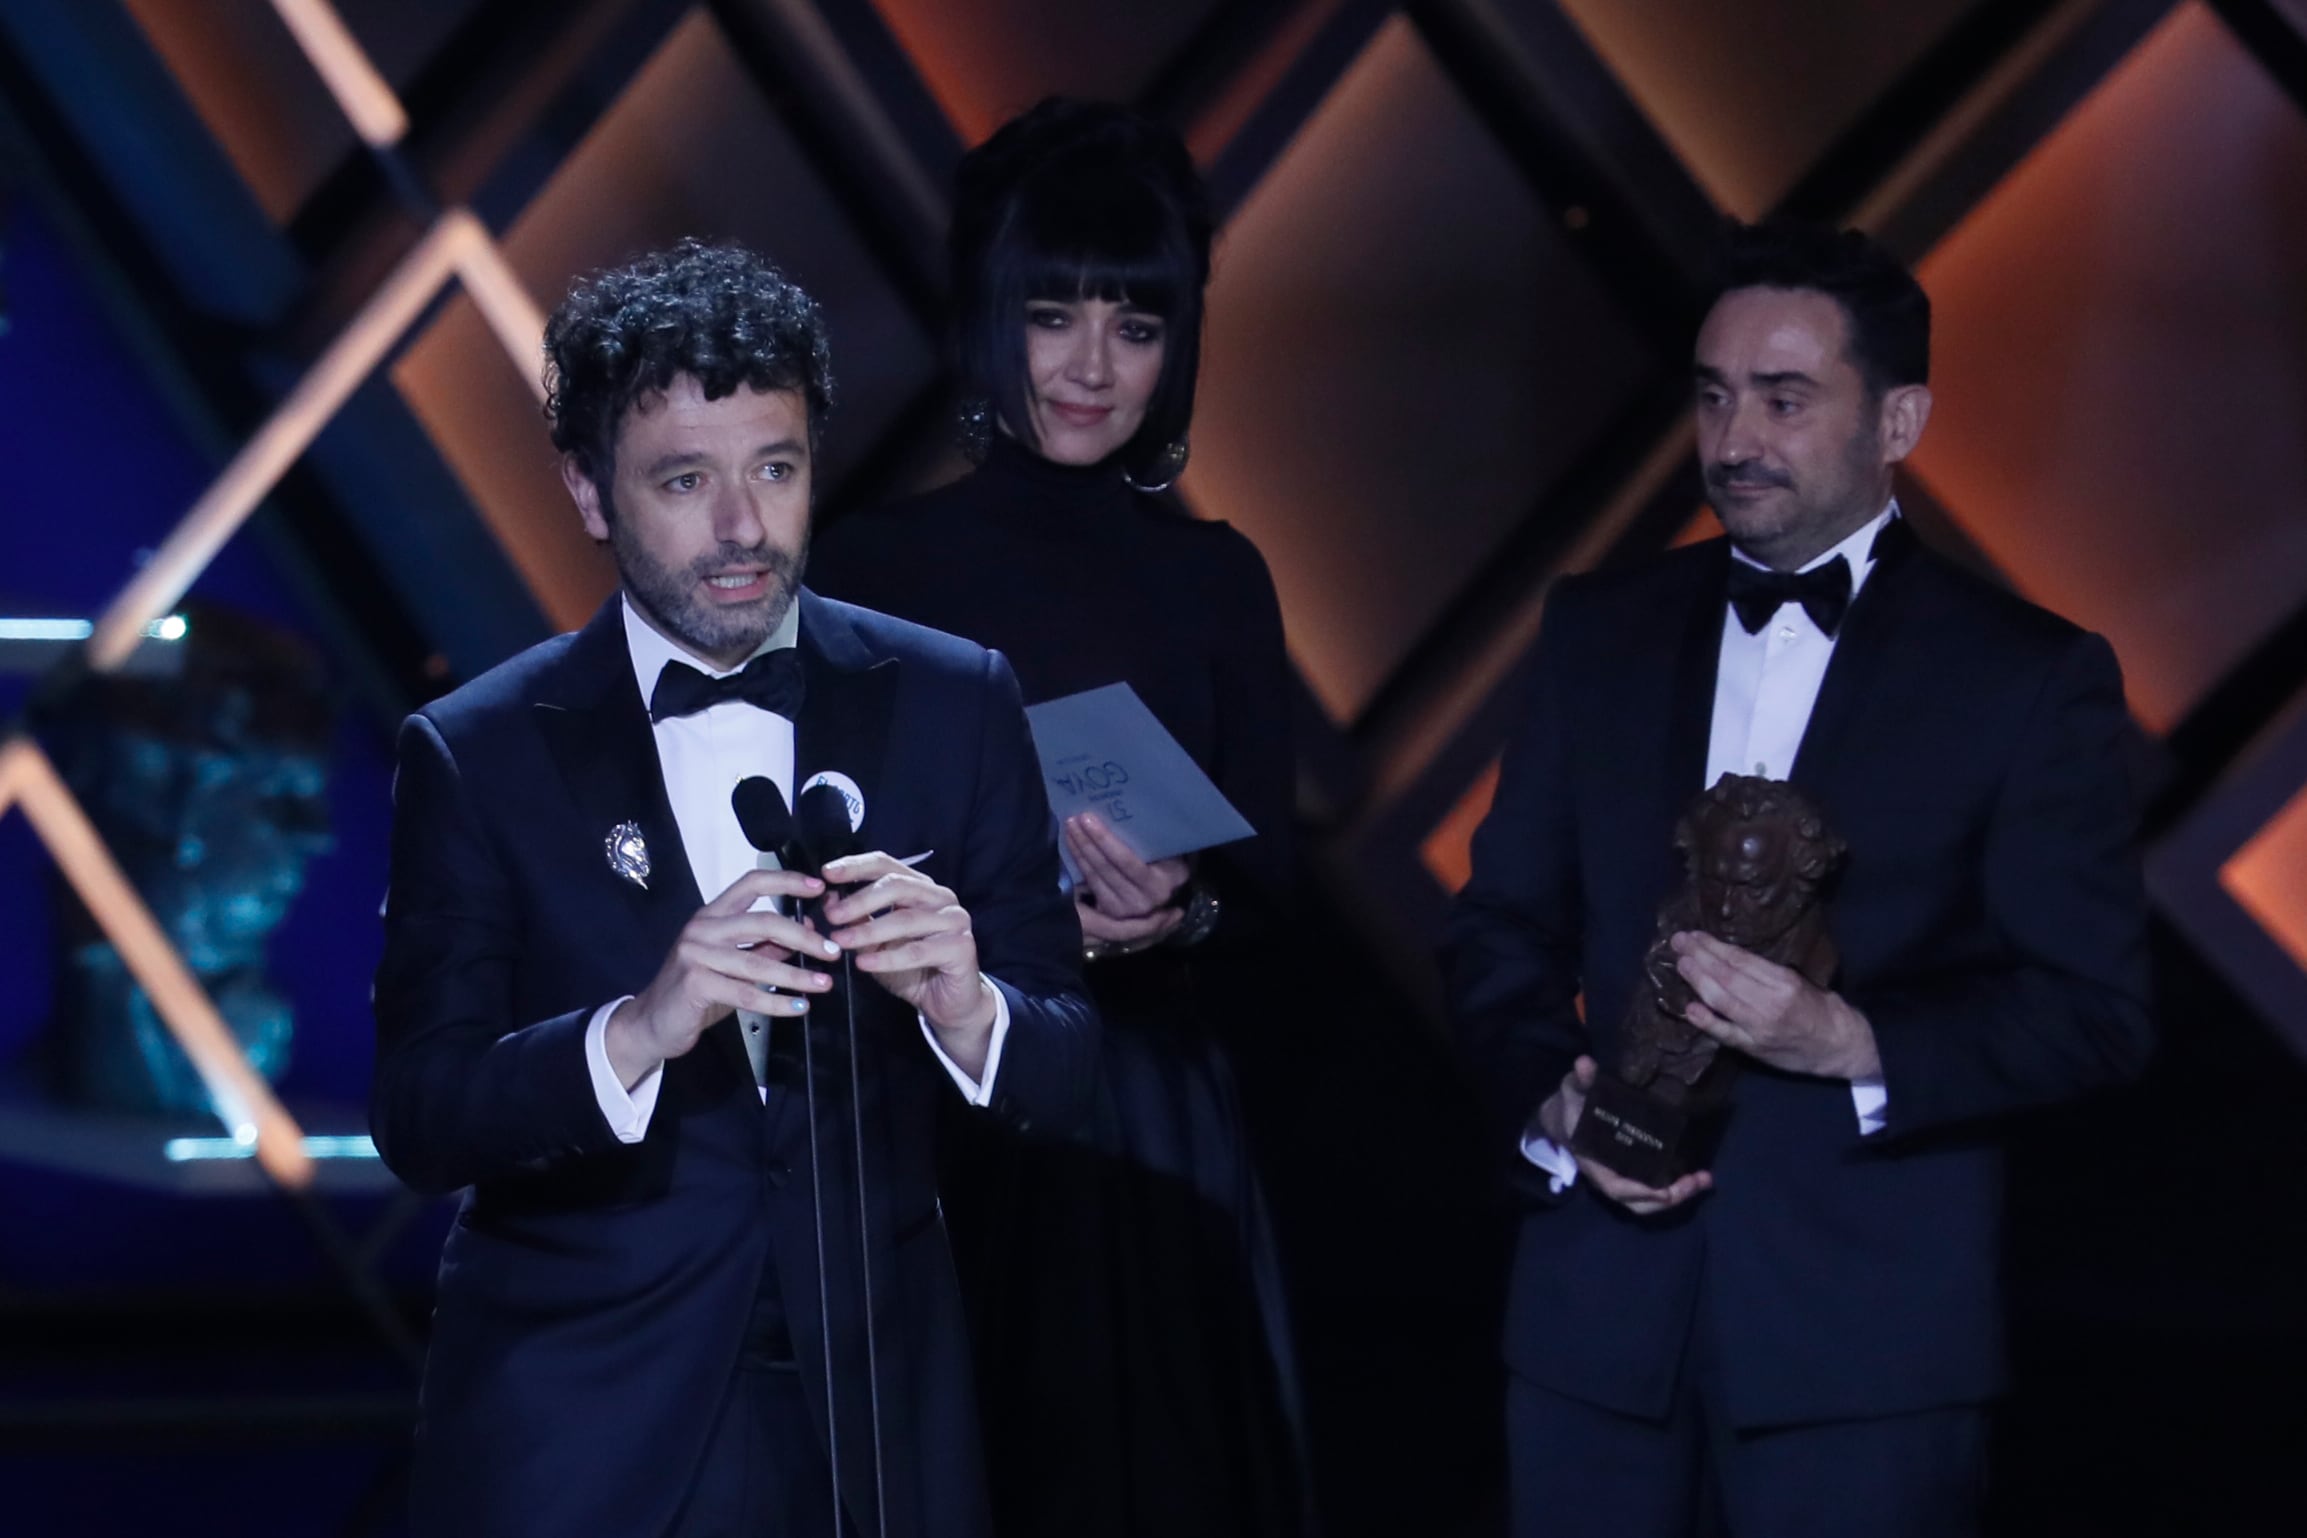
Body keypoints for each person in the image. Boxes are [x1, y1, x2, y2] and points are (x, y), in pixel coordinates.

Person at [370, 239, 1095, 1538]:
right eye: (685, 482)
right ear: (590, 493)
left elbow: (1073, 1061)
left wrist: (970, 1004)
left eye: (776, 468)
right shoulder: (477, 752)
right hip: (585, 1433)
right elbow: (424, 1112)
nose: (744, 528)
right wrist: (635, 1031)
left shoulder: (953, 700)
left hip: (881, 1423)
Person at [1446, 219, 2152, 1537]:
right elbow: (1496, 936)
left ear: (1900, 419)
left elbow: (2095, 1011)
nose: (1735, 439)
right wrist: (1555, 1100)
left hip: (1864, 1353)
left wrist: (1854, 1041)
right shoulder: (1595, 631)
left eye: (1784, 398)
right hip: (1591, 1335)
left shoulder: (2027, 676)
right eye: (1713, 396)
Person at [810, 98, 1309, 1538]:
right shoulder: (870, 566)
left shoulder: (1219, 575)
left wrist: (1180, 908)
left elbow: (1274, 888)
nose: (1093, 367)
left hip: (1146, 1113)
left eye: (1137, 327)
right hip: (929, 1107)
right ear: (988, 317)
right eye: (1055, 314)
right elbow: (803, 868)